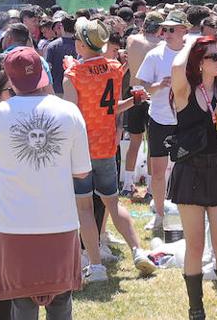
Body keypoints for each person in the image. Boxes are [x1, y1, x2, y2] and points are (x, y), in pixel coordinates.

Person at [0, 46, 89, 320]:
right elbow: (81, 172)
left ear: (9, 78)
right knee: (61, 305)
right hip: (60, 223)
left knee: (21, 307)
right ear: (43, 76)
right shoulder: (70, 112)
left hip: (11, 225)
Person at [60, 17, 156, 280]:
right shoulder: (114, 67)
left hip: (82, 149)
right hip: (105, 146)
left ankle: (97, 266)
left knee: (84, 210)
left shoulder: (73, 75)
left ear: (80, 44)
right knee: (113, 204)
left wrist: (70, 70)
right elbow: (113, 107)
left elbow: (72, 116)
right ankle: (138, 250)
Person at [169, 32, 217, 320]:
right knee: (195, 244)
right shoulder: (185, 90)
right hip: (190, 170)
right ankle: (195, 309)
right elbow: (176, 68)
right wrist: (192, 41)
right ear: (199, 62)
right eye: (214, 57)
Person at [136, 9, 192, 233]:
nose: (166, 33)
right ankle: (159, 215)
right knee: (158, 172)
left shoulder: (192, 53)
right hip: (159, 118)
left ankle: (187, 214)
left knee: (185, 169)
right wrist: (158, 86)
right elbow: (141, 86)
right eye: (164, 29)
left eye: (171, 29)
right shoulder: (155, 55)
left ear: (183, 30)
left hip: (185, 118)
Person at [123, 12, 162, 198]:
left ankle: (128, 183)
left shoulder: (132, 40)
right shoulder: (161, 45)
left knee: (134, 141)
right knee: (152, 143)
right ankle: (151, 187)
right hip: (152, 93)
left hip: (134, 92)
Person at [43, 16, 77, 97]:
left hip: (57, 90)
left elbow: (47, 68)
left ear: (61, 26)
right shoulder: (80, 45)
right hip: (76, 88)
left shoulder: (52, 46)